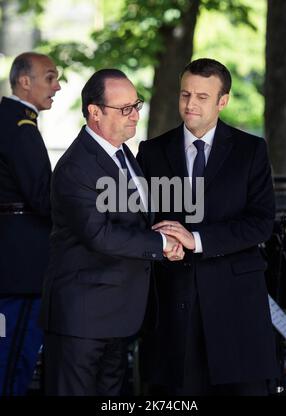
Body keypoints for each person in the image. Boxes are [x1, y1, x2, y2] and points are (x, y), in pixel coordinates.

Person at [137, 58, 279, 396]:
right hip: (172, 301)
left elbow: (261, 223)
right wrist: (160, 243)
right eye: (185, 94)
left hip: (235, 304)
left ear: (223, 101)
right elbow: (140, 219)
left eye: (202, 97)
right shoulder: (152, 152)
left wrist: (196, 239)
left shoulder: (251, 151)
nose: (190, 104)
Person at [39, 68, 184, 396]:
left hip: (120, 316)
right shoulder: (77, 166)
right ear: (94, 113)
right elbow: (99, 234)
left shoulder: (124, 155)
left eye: (137, 105)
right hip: (82, 319)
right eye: (125, 109)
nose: (134, 115)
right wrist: (161, 244)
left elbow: (134, 220)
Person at [0, 52, 61, 395]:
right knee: (14, 356)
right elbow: (42, 196)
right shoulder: (20, 124)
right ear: (25, 81)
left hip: (11, 258)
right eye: (50, 78)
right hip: (21, 266)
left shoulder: (9, 119)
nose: (58, 86)